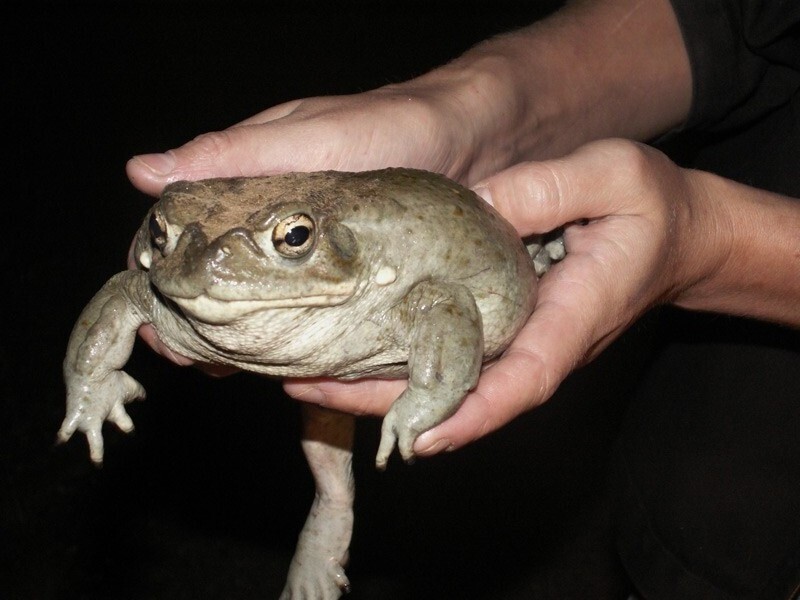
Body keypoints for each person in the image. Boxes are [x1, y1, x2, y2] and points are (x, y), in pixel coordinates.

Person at [126, 0, 800, 597]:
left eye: (295, 236)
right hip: (709, 477)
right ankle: (333, 501)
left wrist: (711, 241)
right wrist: (486, 104)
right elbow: (739, 18)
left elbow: (440, 303)